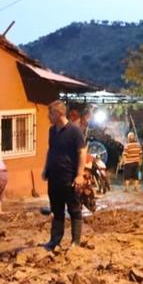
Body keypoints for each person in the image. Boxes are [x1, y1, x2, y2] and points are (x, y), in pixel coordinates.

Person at [42, 100, 85, 251]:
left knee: (74, 209)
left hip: (70, 177)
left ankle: (75, 242)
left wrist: (80, 175)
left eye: (50, 113)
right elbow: (51, 150)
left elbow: (82, 152)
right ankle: (55, 240)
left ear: (59, 114)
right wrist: (46, 168)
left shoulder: (75, 130)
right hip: (54, 178)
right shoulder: (52, 131)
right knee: (57, 210)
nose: (48, 116)